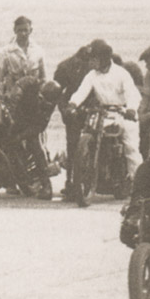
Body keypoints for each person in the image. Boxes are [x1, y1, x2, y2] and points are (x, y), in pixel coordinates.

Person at [67, 38, 141, 181]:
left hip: (123, 113)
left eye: (94, 59)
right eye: (90, 59)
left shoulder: (121, 74)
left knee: (131, 148)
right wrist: (73, 104)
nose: (91, 63)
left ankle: (137, 181)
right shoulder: (91, 75)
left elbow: (131, 93)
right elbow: (82, 91)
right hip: (103, 113)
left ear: (104, 58)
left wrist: (131, 109)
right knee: (89, 133)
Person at [6, 78, 60, 199]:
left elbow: (39, 126)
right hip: (15, 113)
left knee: (34, 143)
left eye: (46, 101)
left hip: (30, 124)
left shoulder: (49, 105)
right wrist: (13, 102)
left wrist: (20, 137)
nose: (42, 102)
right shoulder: (31, 82)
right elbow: (19, 85)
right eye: (41, 98)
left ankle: (46, 185)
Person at [54, 45, 91, 200]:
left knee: (75, 145)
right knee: (73, 146)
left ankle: (76, 182)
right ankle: (71, 183)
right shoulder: (65, 67)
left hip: (91, 107)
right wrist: (65, 111)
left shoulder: (96, 67)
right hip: (74, 110)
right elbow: (57, 91)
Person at [0, 16, 45, 98]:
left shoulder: (38, 51)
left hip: (33, 97)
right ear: (14, 30)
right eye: (20, 30)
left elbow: (43, 78)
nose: (23, 33)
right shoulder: (6, 52)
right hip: (13, 98)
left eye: (25, 30)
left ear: (31, 30)